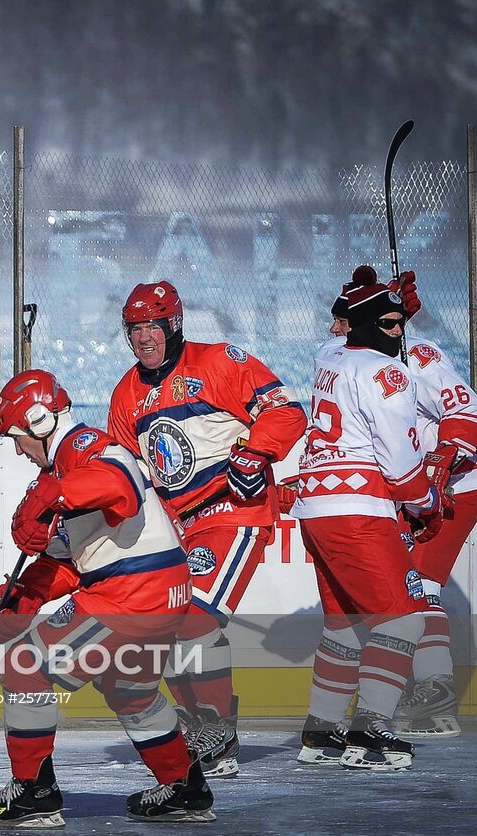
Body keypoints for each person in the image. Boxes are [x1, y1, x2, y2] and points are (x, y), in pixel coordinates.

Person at [0, 369, 213, 826]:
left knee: (25, 666)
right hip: (159, 590)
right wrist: (18, 596)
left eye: (18, 436)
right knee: (131, 691)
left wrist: (51, 495)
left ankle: (34, 791)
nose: (17, 449)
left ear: (41, 423)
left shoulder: (85, 447)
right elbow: (69, 562)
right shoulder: (63, 469)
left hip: (131, 592)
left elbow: (119, 489)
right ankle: (184, 787)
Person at [107, 280, 306, 778]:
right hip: (176, 527)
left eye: (153, 326)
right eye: (135, 330)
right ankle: (198, 728)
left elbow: (285, 413)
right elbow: (123, 474)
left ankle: (217, 731)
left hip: (230, 512)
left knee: (193, 619)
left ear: (174, 325)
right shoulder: (126, 394)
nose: (144, 338)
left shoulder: (219, 361)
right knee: (161, 624)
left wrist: (255, 451)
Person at [288, 267, 477, 741]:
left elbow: (470, 412)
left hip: (455, 485)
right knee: (398, 600)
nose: (332, 330)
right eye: (336, 321)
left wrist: (444, 457)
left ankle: (434, 687)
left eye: (339, 321)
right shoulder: (353, 356)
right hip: (400, 490)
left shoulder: (418, 358)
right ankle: (386, 707)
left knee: (417, 590)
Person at [290, 280, 440, 771]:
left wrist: (370, 299)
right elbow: (399, 462)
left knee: (347, 624)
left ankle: (321, 732)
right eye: (393, 325)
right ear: (372, 327)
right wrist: (426, 504)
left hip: (316, 504)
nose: (401, 334)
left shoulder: (330, 356)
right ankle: (370, 732)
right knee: (403, 618)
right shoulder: (387, 372)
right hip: (357, 507)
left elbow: (340, 334)